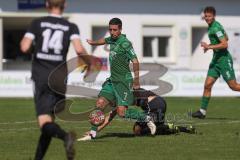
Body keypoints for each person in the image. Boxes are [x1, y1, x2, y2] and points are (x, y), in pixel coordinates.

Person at [20, 0, 91, 159]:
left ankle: (66, 137)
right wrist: (90, 64)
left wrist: (34, 49)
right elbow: (79, 49)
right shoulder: (70, 26)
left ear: (47, 4)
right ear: (64, 5)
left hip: (42, 77)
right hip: (59, 79)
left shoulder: (37, 23)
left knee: (45, 124)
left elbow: (24, 46)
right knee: (49, 122)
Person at [78, 18, 156, 141]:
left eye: (115, 30)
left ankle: (146, 118)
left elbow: (135, 61)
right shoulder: (112, 40)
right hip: (112, 81)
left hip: (124, 82)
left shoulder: (125, 43)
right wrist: (93, 43)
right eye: (110, 30)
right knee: (100, 103)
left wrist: (136, 80)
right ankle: (92, 133)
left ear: (120, 29)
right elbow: (104, 40)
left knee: (122, 113)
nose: (112, 32)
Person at [78, 88, 195, 139]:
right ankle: (182, 128)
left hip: (153, 104)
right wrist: (96, 130)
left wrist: (96, 130)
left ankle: (169, 127)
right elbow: (110, 116)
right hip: (159, 102)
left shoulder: (120, 97)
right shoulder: (122, 93)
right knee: (148, 128)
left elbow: (111, 116)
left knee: (137, 130)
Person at [191, 6, 240, 119]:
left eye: (209, 16)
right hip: (215, 61)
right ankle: (202, 112)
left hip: (224, 60)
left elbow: (225, 44)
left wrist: (209, 46)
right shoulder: (211, 26)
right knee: (207, 85)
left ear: (214, 16)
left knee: (233, 86)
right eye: (206, 16)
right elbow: (226, 37)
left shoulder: (215, 28)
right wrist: (210, 46)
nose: (207, 18)